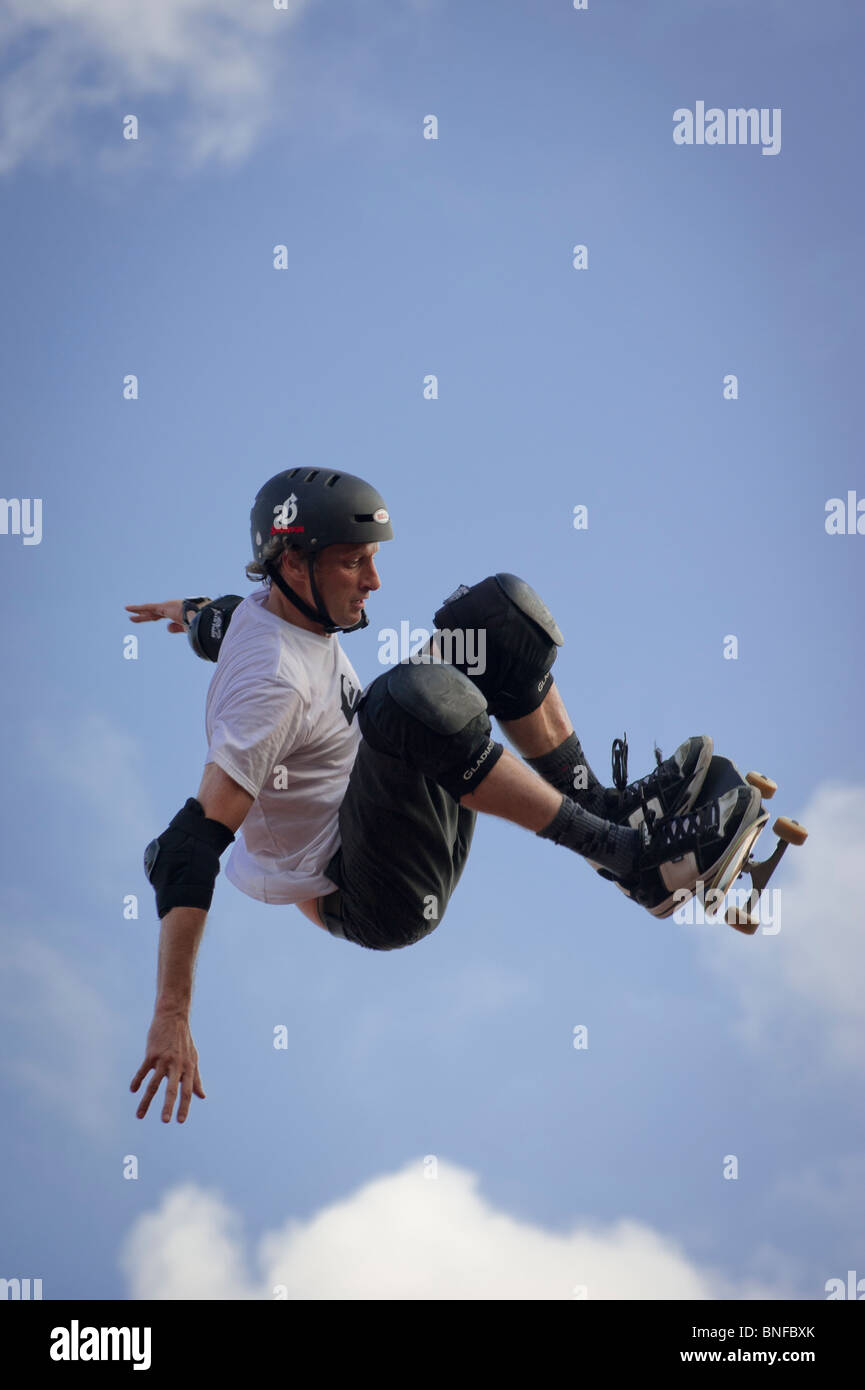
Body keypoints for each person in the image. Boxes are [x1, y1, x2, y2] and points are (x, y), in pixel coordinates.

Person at [128, 468, 759, 1123]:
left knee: (495, 619)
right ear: (293, 564)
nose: (373, 582)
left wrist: (182, 611)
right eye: (353, 564)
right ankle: (634, 857)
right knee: (404, 698)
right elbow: (187, 848)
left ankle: (606, 811)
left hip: (386, 798)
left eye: (373, 559)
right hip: (368, 891)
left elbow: (219, 619)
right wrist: (171, 1015)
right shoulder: (269, 689)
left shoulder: (257, 612)